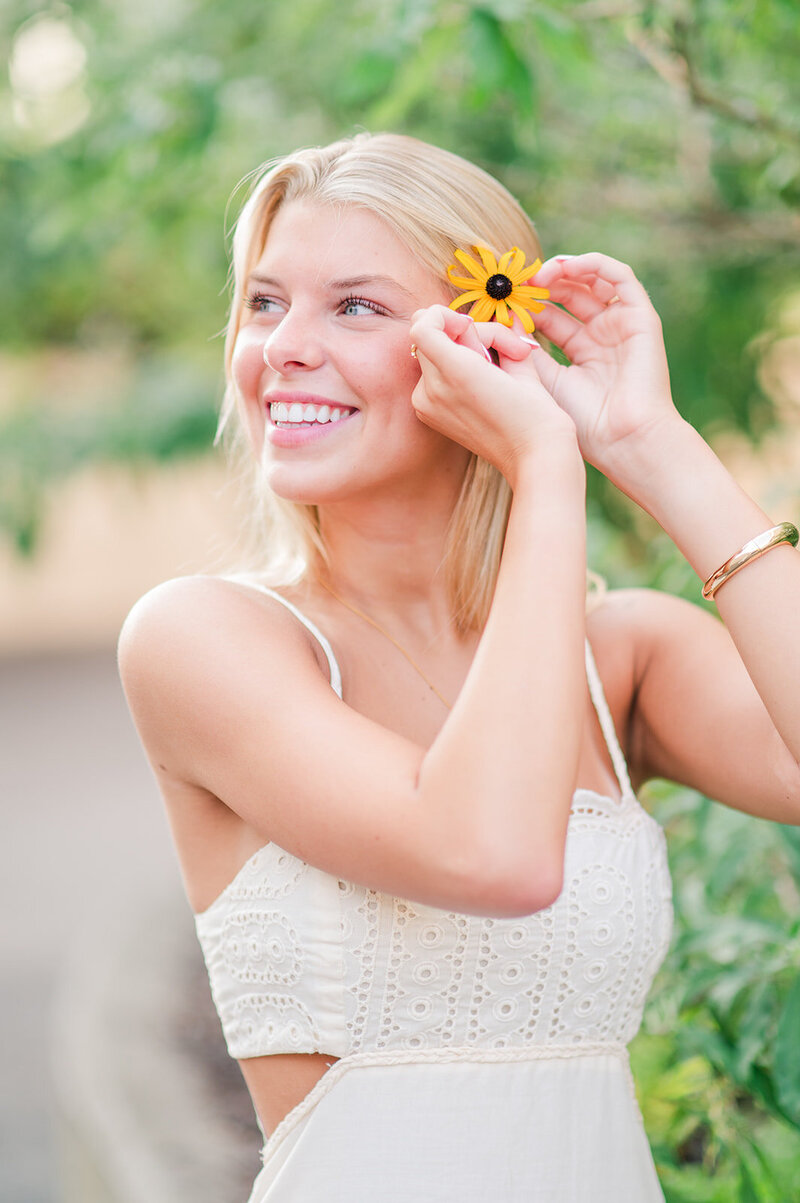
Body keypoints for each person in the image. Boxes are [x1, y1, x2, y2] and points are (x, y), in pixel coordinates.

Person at [118, 132, 800, 1202]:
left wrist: (645, 443)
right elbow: (492, 857)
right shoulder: (206, 639)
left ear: (483, 344)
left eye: (354, 306)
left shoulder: (616, 654)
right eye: (262, 302)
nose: (283, 346)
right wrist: (542, 472)